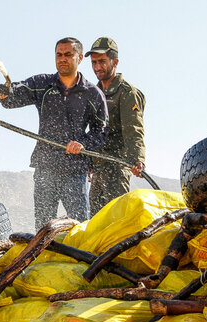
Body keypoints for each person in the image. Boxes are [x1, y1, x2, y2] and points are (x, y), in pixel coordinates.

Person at [0, 37, 108, 229]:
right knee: (43, 226)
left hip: (74, 171)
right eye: (59, 54)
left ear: (80, 57)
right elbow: (18, 92)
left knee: (81, 227)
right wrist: (5, 93)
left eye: (68, 54)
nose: (62, 59)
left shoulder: (92, 93)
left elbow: (101, 131)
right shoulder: (42, 84)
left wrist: (83, 143)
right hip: (45, 167)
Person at [86, 37, 146, 214]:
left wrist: (138, 159)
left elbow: (133, 130)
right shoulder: (93, 93)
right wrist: (88, 161)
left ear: (115, 61)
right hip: (98, 166)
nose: (97, 67)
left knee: (116, 218)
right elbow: (93, 130)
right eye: (94, 62)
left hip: (117, 166)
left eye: (102, 62)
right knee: (96, 220)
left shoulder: (127, 93)